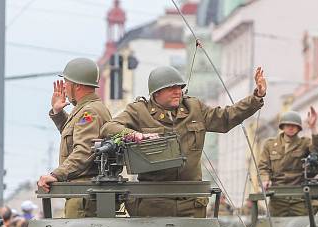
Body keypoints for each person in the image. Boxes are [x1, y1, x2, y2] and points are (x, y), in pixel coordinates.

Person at [101, 65, 267, 217]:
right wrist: (135, 135)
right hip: (154, 203)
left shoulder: (194, 108)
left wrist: (256, 97)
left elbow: (225, 117)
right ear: (156, 92)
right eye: (171, 88)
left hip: (191, 202)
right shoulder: (139, 111)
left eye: (180, 87)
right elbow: (109, 127)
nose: (178, 91)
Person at [37, 58, 112, 218]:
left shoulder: (89, 112)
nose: (64, 86)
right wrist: (58, 113)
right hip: (83, 192)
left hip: (83, 194)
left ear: (77, 85)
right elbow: (74, 137)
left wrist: (56, 174)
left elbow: (85, 150)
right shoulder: (87, 109)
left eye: (67, 82)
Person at [256, 108, 318, 216]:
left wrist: (313, 128)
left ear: (298, 128)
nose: (291, 128)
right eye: (288, 125)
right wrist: (264, 180)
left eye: (294, 125)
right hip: (277, 195)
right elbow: (263, 167)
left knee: (303, 226)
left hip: (299, 194)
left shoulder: (304, 143)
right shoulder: (270, 144)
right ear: (283, 126)